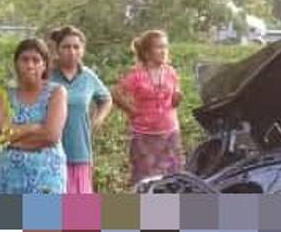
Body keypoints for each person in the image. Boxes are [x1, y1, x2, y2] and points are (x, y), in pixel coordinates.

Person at [0, 38, 68, 194]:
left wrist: (10, 140)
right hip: (8, 177)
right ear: (16, 63)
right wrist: (33, 128)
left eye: (36, 60)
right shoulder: (4, 93)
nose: (30, 65)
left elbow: (51, 136)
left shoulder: (56, 92)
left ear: (44, 65)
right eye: (24, 59)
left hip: (47, 178)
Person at [113, 30, 184, 185]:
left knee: (172, 178)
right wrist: (131, 111)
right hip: (145, 136)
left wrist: (177, 98)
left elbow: (174, 99)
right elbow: (116, 94)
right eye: (158, 47)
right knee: (145, 180)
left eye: (165, 46)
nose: (163, 51)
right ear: (146, 52)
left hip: (170, 134)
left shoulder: (171, 72)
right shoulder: (136, 75)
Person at [48, 25, 113, 193]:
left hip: (79, 150)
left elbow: (106, 99)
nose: (71, 51)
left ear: (83, 50)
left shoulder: (88, 76)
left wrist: (97, 120)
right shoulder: (47, 75)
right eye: (66, 47)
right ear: (57, 50)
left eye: (76, 47)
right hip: (49, 152)